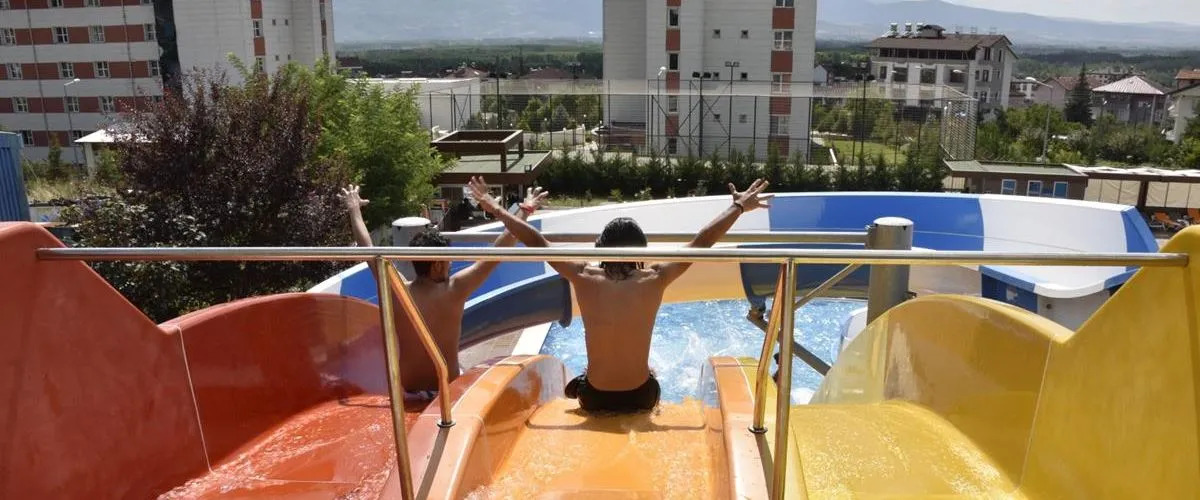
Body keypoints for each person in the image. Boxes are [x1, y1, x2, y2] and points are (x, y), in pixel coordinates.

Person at [467, 176, 772, 413]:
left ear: (601, 248)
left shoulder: (583, 275)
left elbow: (537, 242)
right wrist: (738, 207)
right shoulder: (656, 277)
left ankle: (586, 380)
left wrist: (496, 209)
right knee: (651, 372)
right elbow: (701, 242)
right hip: (641, 396)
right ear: (640, 251)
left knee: (589, 376)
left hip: (595, 398)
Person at [341, 183, 549, 394]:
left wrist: (354, 209)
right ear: (438, 265)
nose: (451, 265)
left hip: (408, 393)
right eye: (448, 260)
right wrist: (526, 209)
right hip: (446, 391)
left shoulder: (398, 290)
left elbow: (368, 249)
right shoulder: (455, 289)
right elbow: (501, 247)